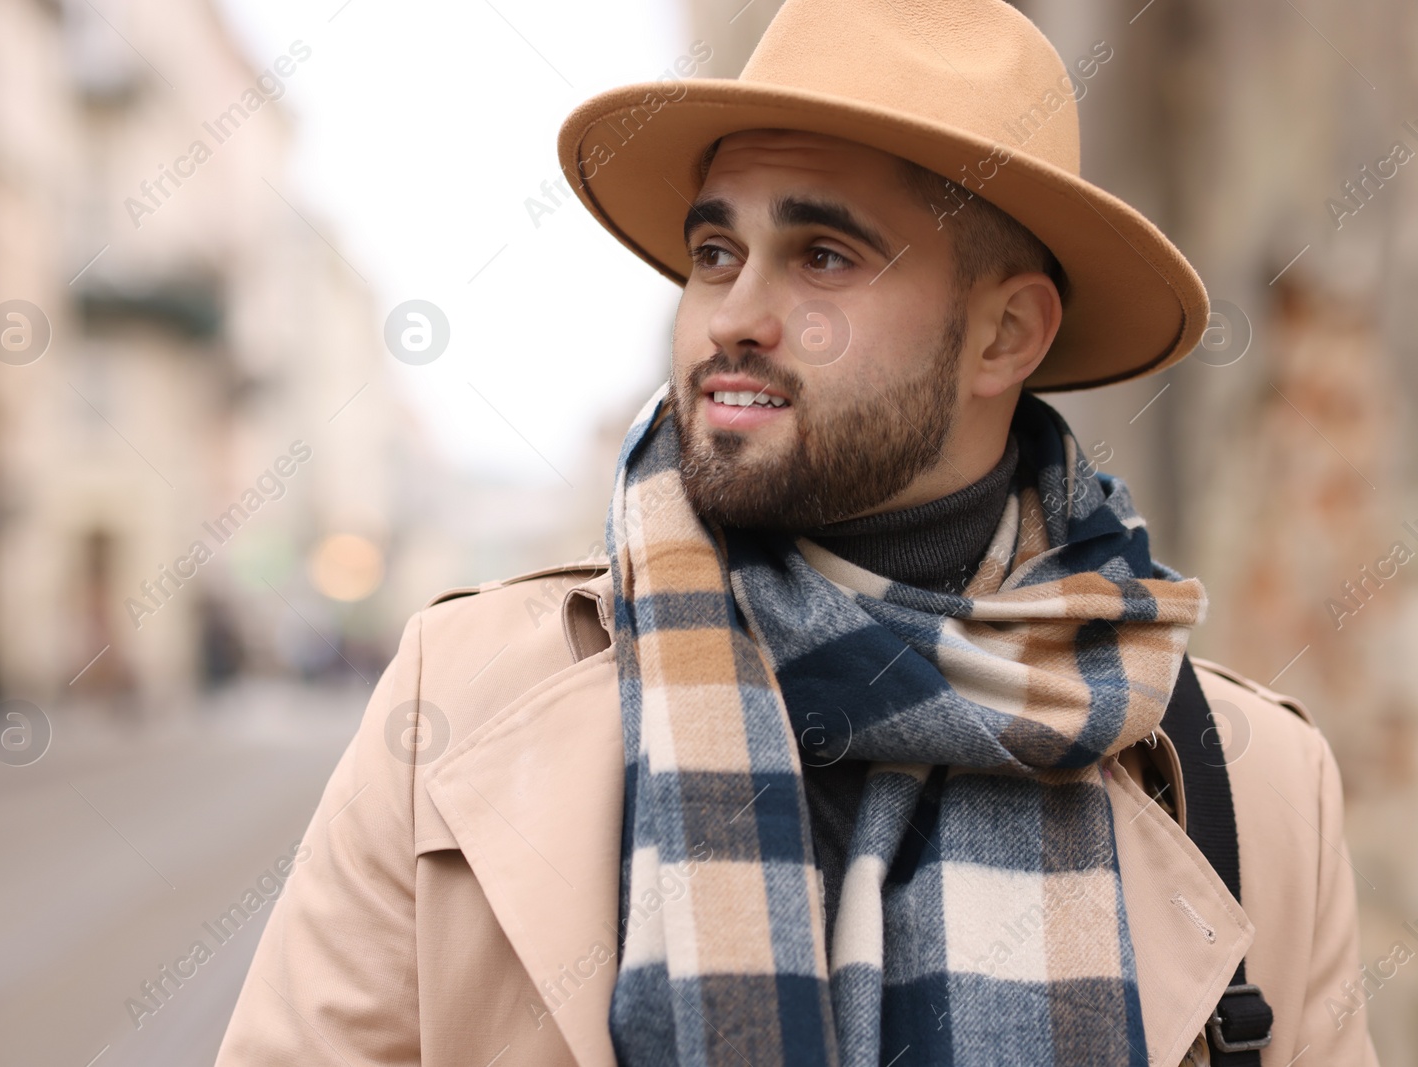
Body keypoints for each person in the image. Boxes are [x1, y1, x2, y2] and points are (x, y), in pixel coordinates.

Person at [215, 1, 1378, 1064]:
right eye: (714, 252)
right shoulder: (461, 700)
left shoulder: (1249, 779)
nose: (732, 315)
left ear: (1003, 336)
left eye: (822, 256)